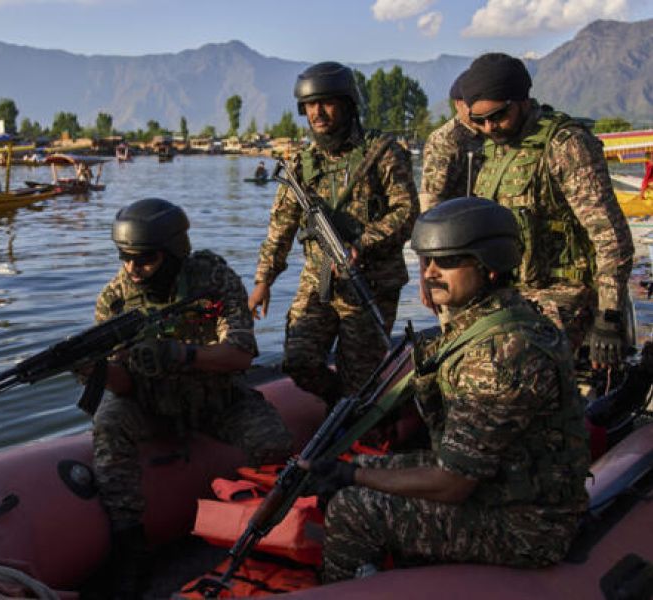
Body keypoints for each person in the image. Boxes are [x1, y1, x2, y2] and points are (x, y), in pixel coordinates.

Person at [309, 197, 589, 582]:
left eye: (448, 261)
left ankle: (339, 586)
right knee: (366, 466)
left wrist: (352, 478)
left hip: (525, 526)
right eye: (427, 261)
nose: (430, 273)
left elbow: (453, 484)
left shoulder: (498, 356)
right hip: (503, 487)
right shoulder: (502, 318)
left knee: (351, 506)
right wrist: (355, 470)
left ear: (489, 265)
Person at [90, 198, 293, 597]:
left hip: (216, 398)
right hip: (150, 403)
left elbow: (240, 354)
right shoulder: (115, 301)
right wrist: (95, 372)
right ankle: (130, 545)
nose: (132, 269)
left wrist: (181, 354)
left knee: (274, 442)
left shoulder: (212, 279)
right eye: (125, 257)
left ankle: (270, 526)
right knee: (108, 423)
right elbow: (123, 386)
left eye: (145, 259)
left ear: (172, 252)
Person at [249, 61, 418, 406]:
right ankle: (340, 404)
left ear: (347, 104)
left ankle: (353, 412)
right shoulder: (302, 164)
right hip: (319, 279)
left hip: (371, 283)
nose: (318, 113)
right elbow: (281, 226)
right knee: (299, 361)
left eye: (326, 103)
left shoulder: (381, 153)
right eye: (310, 105)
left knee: (360, 378)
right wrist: (263, 281)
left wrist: (362, 244)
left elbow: (407, 211)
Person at [459, 52, 634, 369]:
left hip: (565, 292)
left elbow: (611, 237)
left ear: (522, 101)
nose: (489, 127)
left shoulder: (566, 145)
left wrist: (609, 316)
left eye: (497, 116)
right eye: (479, 120)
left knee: (511, 366)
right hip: (508, 291)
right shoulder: (494, 148)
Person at [418, 71, 484, 212]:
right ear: (458, 104)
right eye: (471, 104)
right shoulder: (446, 140)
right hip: (458, 219)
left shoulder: (486, 131)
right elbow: (431, 200)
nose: (477, 109)